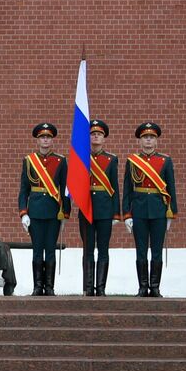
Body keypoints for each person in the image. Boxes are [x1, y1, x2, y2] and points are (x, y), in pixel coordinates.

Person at [122, 121, 177, 297]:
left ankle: (155, 287)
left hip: (159, 211)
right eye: (145, 138)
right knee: (140, 251)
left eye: (151, 138)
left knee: (157, 251)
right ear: (140, 141)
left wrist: (171, 213)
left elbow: (171, 189)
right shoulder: (132, 162)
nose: (148, 141)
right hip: (138, 211)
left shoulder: (165, 161)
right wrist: (127, 214)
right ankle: (142, 287)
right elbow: (127, 190)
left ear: (156, 141)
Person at [18, 122, 68, 295]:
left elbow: (64, 189)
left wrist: (65, 214)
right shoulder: (29, 161)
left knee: (51, 249)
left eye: (48, 137)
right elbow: (24, 190)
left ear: (52, 140)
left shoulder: (60, 161)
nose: (45, 141)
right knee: (37, 250)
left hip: (54, 211)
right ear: (37, 141)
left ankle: (50, 287)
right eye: (42, 138)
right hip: (36, 211)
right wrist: (23, 212)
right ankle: (37, 286)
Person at [79, 119, 120, 296]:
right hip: (86, 207)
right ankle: (88, 288)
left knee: (103, 249)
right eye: (93, 134)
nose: (96, 136)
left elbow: (115, 187)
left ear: (104, 139)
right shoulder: (81, 157)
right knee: (88, 249)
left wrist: (116, 214)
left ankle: (101, 288)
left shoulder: (111, 159)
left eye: (99, 134)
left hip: (105, 209)